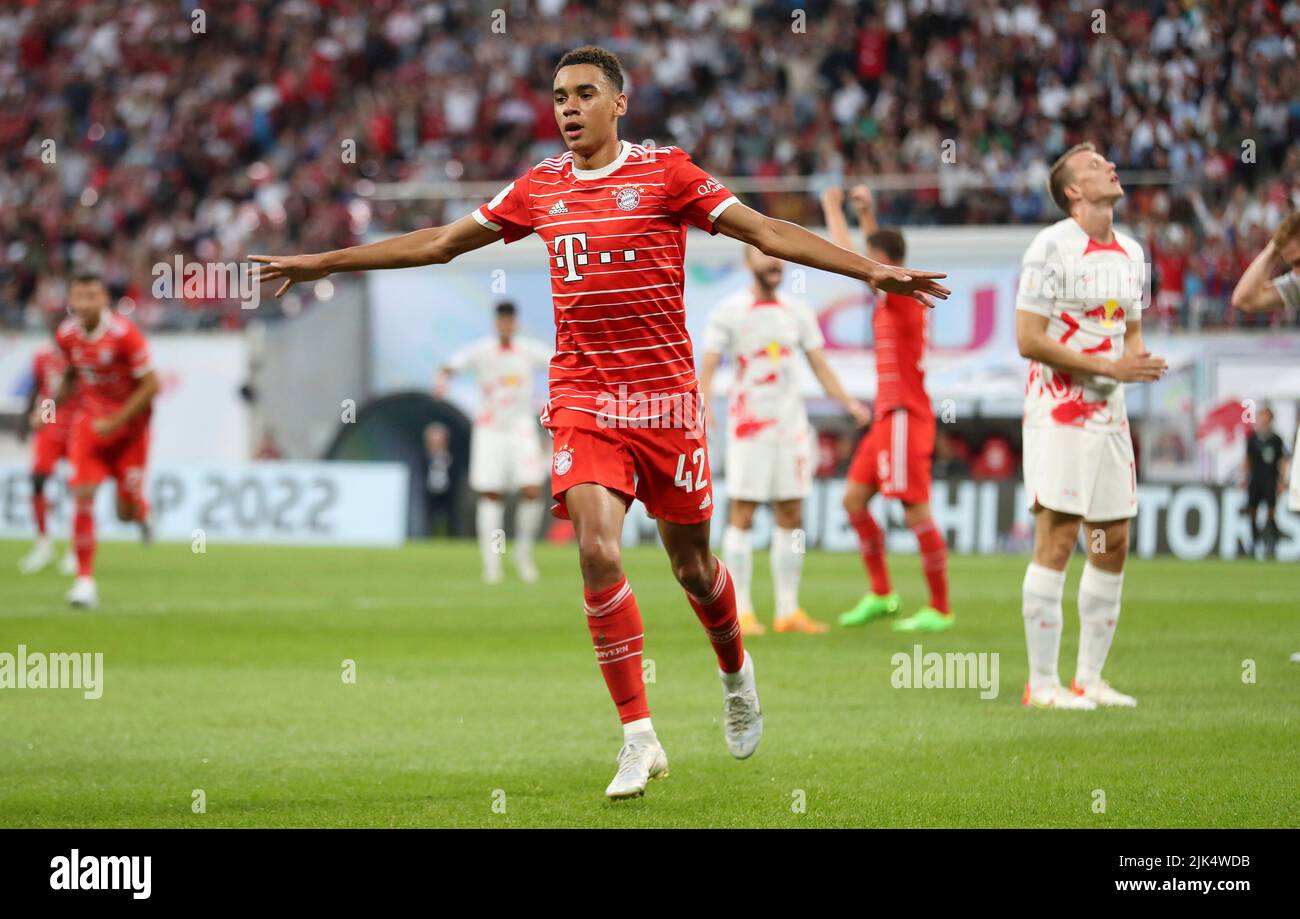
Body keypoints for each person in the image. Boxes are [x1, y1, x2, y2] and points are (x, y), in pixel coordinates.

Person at [250, 45, 948, 799]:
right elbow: (440, 243)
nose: (569, 107)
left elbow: (767, 232)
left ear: (621, 102)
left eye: (585, 93)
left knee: (693, 568)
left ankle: (736, 671)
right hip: (586, 399)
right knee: (596, 550)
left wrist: (869, 270)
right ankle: (638, 737)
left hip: (669, 405)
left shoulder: (667, 173)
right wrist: (328, 262)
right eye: (558, 96)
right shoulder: (539, 188)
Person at [1015, 143, 1168, 710]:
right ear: (1074, 192)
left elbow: (1130, 331)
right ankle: (1043, 685)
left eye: (1107, 160)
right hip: (1059, 412)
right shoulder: (1050, 246)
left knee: (1112, 541)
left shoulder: (1131, 251)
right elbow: (1028, 339)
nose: (1109, 165)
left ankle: (1090, 678)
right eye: (1093, 165)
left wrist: (1138, 361)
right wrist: (1111, 367)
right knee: (1058, 536)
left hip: (1110, 414)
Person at [697, 246, 870, 636]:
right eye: (764, 258)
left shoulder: (798, 312)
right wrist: (705, 408)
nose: (774, 264)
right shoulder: (729, 311)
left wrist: (847, 402)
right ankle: (740, 610)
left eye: (777, 259)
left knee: (791, 515)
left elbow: (819, 364)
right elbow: (707, 366)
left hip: (791, 427)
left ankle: (788, 610)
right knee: (743, 512)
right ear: (747, 263)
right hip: (749, 427)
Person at [821, 185, 953, 633]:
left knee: (914, 510)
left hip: (904, 416)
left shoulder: (899, 289)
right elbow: (874, 257)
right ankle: (882, 594)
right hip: (886, 418)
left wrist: (831, 208)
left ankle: (939, 607)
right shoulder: (894, 289)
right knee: (853, 500)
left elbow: (850, 256)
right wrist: (866, 213)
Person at [50, 273, 160, 609]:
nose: (85, 304)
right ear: (71, 300)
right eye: (79, 297)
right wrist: (48, 408)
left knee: (125, 512)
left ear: (104, 301)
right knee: (82, 495)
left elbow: (152, 385)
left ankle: (142, 513)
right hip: (90, 425)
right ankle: (84, 582)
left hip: (129, 432)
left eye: (92, 297)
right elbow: (70, 373)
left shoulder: (124, 335)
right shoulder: (66, 335)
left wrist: (117, 422)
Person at [435, 302, 551, 583]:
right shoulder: (482, 350)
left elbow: (559, 361)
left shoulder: (528, 350)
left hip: (521, 427)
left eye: (510, 321)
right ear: (496, 322)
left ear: (516, 322)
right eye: (502, 321)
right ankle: (491, 565)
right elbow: (451, 365)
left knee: (532, 489)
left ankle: (523, 554)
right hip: (489, 428)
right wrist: (442, 379)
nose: (506, 326)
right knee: (491, 493)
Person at [17, 315, 80, 576]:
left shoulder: (80, 356)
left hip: (77, 425)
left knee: (78, 487)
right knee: (38, 480)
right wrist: (25, 418)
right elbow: (37, 388)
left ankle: (75, 550)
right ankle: (43, 544)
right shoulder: (42, 355)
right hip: (49, 422)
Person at [1243, 406, 1287, 559]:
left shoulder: (1276, 439)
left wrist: (1282, 481)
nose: (1263, 419)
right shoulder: (1252, 438)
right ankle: (1254, 543)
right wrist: (1243, 479)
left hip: (1270, 480)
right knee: (1252, 512)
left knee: (1270, 513)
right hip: (1255, 480)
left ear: (1271, 419)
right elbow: (1247, 460)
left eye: (1266, 416)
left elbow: (1282, 461)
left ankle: (1271, 543)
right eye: (1262, 416)